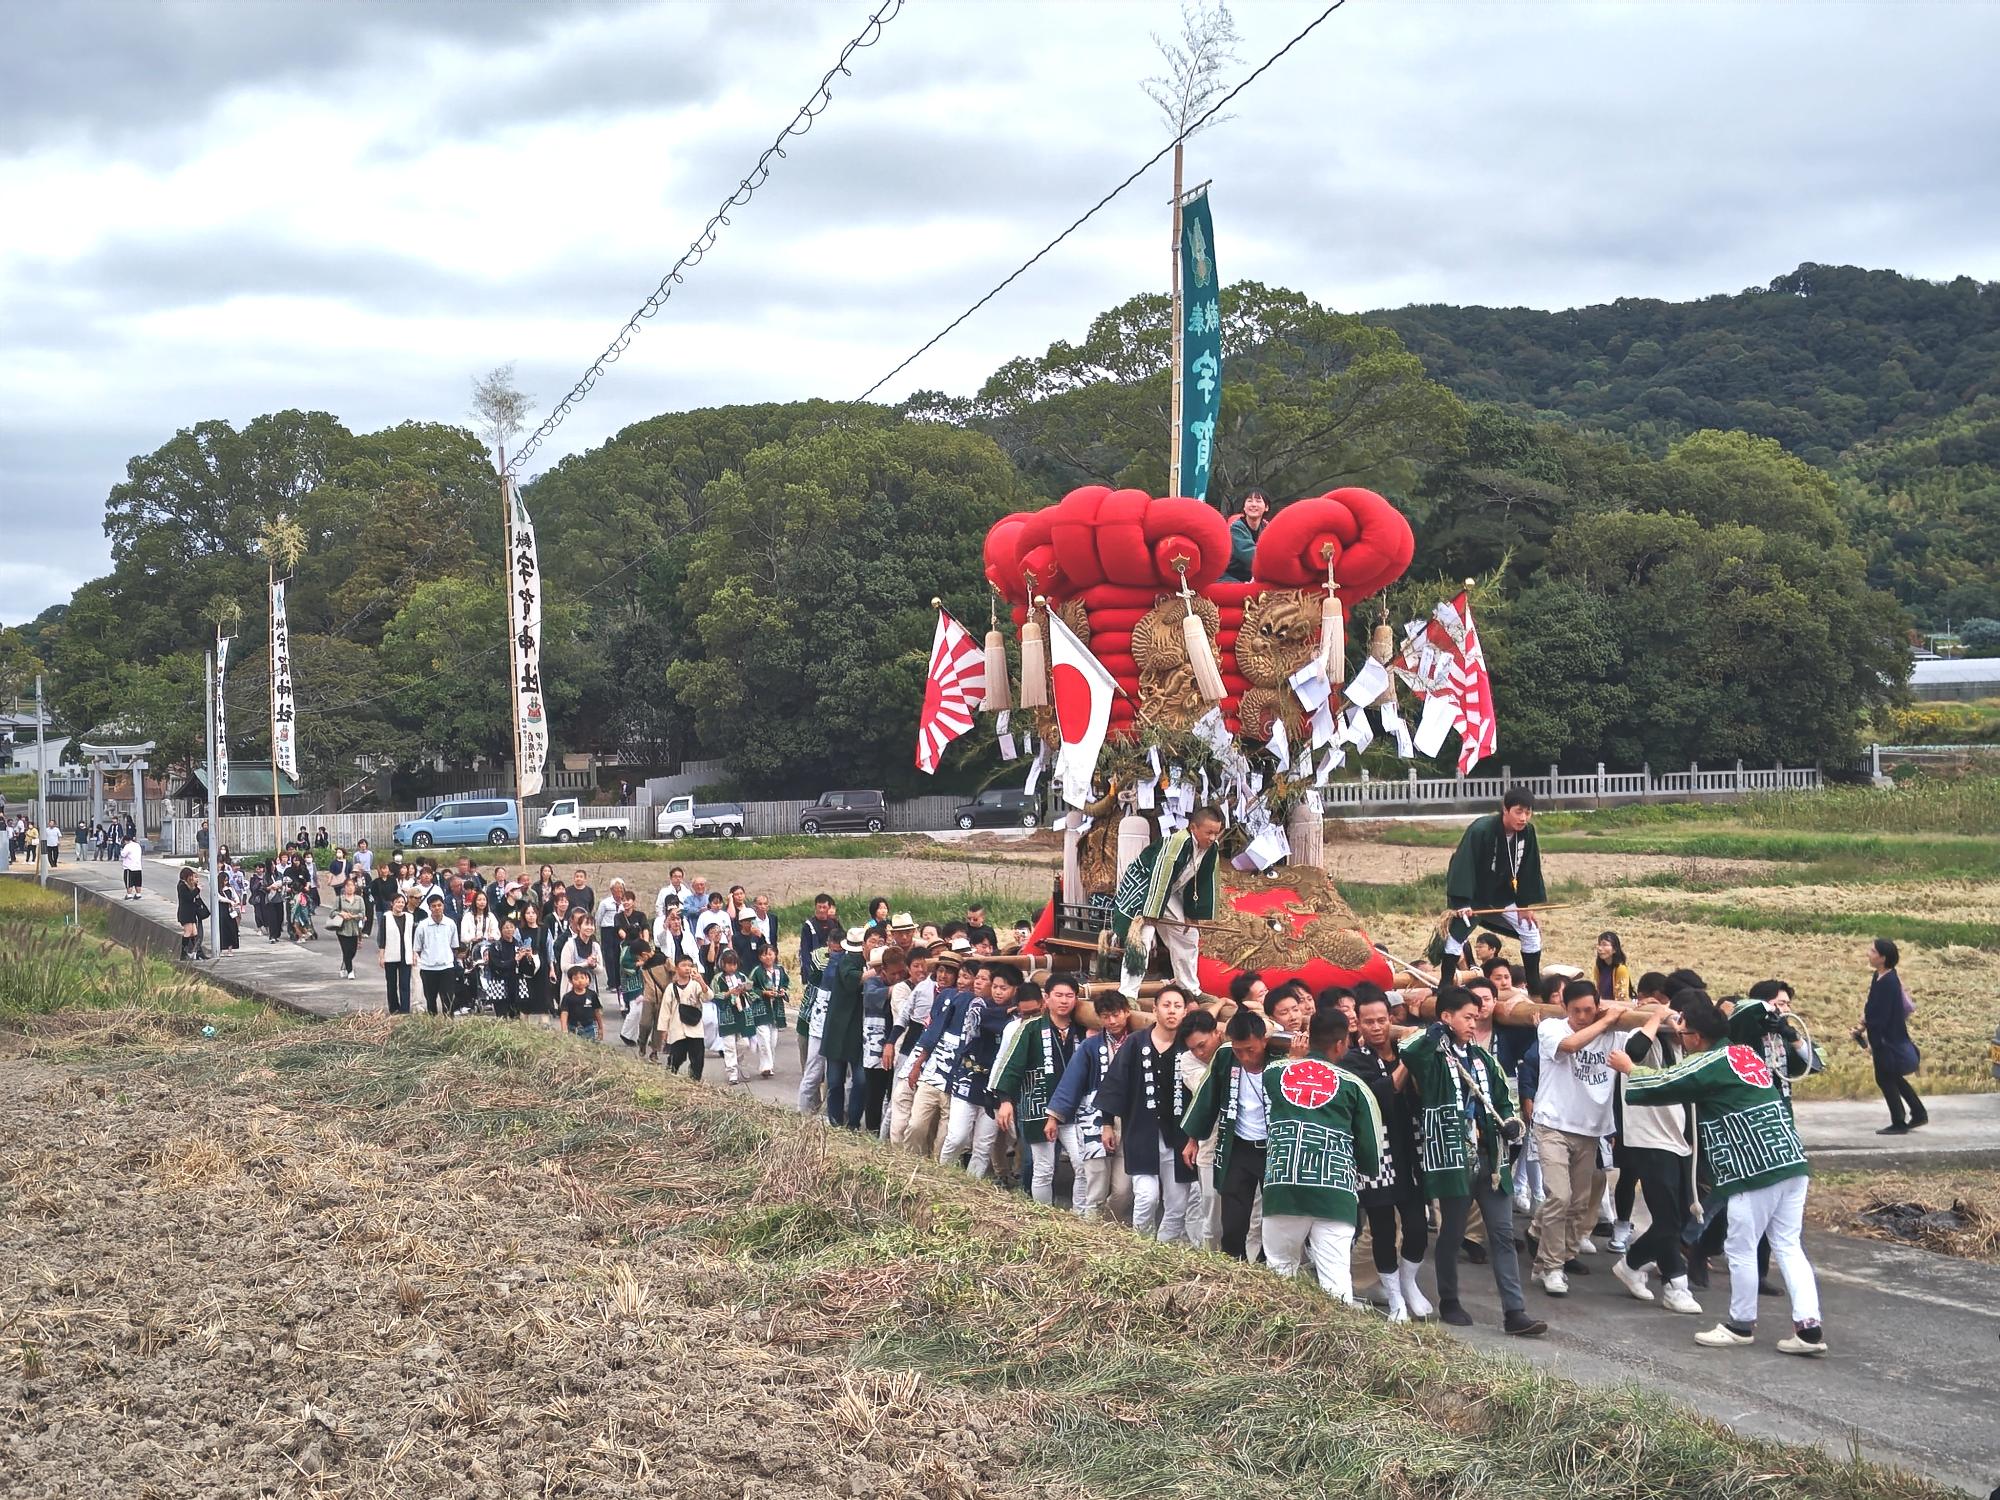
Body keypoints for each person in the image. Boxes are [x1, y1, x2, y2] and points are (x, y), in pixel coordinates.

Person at [1612, 989, 1825, 1355]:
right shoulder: (1745, 1053)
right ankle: (1809, 1330)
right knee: (1789, 1246)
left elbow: (1665, 1082)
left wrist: (1629, 1069)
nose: (1681, 1039)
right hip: (1790, 1159)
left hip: (1752, 1165)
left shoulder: (1709, 1061)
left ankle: (1740, 1324)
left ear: (1695, 1036)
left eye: (1683, 1033)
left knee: (1740, 1248)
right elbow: (1746, 1014)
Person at [1399, 987, 1545, 1337]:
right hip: (1453, 1159)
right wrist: (1435, 1033)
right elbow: (1411, 1055)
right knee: (1451, 1231)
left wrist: (1513, 1124)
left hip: (1490, 1159)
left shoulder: (1482, 1059)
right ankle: (1449, 1299)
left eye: (1476, 1016)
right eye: (1466, 1016)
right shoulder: (1432, 1055)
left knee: (1503, 1234)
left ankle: (1515, 1312)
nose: (1473, 1022)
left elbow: (1504, 1101)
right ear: (1446, 1017)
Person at [1260, 1007, 1382, 1303]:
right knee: (1336, 1276)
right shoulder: (1356, 1087)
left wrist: (1294, 1059)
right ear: (1341, 1043)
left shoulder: (1275, 1072)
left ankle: (1279, 1339)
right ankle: (1335, 1345)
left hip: (1284, 1186)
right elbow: (1370, 1150)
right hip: (1334, 1191)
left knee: (1279, 1268)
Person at [1529, 980, 1629, 1296]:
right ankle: (1550, 1267)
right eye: (1577, 1011)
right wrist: (1605, 1020)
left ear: (1598, 1004)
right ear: (1564, 1008)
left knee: (1579, 1203)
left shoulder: (1616, 1032)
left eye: (1590, 1010)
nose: (1583, 1016)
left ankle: (1555, 1248)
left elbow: (1644, 1035)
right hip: (1552, 1125)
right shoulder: (1551, 1028)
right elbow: (1570, 1046)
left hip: (1590, 1130)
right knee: (1559, 1195)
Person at [1341, 984, 1432, 1322]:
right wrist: (1409, 1059)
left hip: (1412, 1149)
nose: (1377, 1027)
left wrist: (1413, 1053)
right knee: (1381, 1228)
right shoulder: (1354, 1059)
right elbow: (1382, 1091)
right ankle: (1394, 1298)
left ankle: (1408, 1284)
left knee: (1417, 1227)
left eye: (1382, 1020)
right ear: (1359, 1024)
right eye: (1369, 1022)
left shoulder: (1403, 1050)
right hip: (1377, 1153)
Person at [1607, 1001, 1702, 1314]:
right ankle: (1677, 1286)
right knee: (1667, 1219)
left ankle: (1631, 1264)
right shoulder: (1645, 1036)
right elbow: (1631, 1052)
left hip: (1678, 1141)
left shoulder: (1682, 1049)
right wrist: (1657, 1018)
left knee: (1682, 1216)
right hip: (1648, 1141)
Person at [1098, 985, 1196, 1242]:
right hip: (1141, 1132)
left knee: (1177, 1202)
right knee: (1146, 1197)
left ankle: (1162, 1249)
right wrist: (1107, 1123)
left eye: (1177, 1006)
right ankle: (1141, 1245)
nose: (1171, 1011)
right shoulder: (1135, 1042)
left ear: (1185, 1011)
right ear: (1155, 1009)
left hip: (1179, 1137)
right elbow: (1115, 1082)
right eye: (1166, 1005)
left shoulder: (1190, 1045)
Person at [1180, 1008, 1274, 1261]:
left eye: (1250, 1050)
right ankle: (1233, 1262)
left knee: (1272, 1214)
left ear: (1264, 1040)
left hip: (1272, 1149)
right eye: (1238, 1050)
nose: (1243, 1056)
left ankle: (1268, 1266)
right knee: (1232, 1214)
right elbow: (1207, 1099)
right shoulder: (1224, 1056)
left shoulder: (1281, 1058)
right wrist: (1192, 1138)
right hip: (1238, 1145)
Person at [1439, 788, 1546, 991]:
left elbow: (1529, 868)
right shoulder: (1481, 830)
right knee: (1456, 936)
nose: (1523, 818)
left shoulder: (1527, 832)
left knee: (1530, 930)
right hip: (1473, 894)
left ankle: (1534, 985)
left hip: (1503, 894)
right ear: (1505, 810)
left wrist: (1524, 904)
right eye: (1518, 811)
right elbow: (1463, 863)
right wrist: (1462, 903)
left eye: (1528, 812)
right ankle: (1445, 984)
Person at [1112, 807, 1223, 1000]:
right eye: (1209, 832)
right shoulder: (1177, 843)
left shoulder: (1211, 849)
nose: (1213, 838)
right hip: (1144, 887)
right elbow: (1160, 876)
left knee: (1187, 934)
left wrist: (1192, 912)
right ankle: (1127, 994)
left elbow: (1203, 882)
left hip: (1167, 892)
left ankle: (1190, 990)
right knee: (1142, 938)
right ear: (1193, 827)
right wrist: (1151, 913)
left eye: (1216, 832)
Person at [991, 974, 1083, 1207]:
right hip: (1039, 1104)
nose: (1064, 1001)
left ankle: (1082, 1217)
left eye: (1069, 996)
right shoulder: (1031, 1028)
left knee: (1082, 1164)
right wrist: (1005, 1100)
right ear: (1047, 998)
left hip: (1074, 1109)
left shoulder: (1081, 1030)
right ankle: (1044, 1215)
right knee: (1043, 1168)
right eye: (1058, 995)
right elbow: (1013, 1064)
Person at [1047, 991, 1134, 1223]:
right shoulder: (1091, 1046)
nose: (1112, 1021)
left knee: (1123, 1190)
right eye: (1105, 1016)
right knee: (1095, 1179)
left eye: (1116, 1015)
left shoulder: (1138, 1042)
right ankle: (1091, 1227)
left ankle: (1108, 1222)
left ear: (1127, 1012)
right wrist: (1054, 1116)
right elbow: (1071, 1080)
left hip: (1129, 1118)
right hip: (1093, 1117)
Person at [936, 963, 1018, 1174]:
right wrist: (1009, 1013)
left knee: (983, 1147)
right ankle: (941, 1175)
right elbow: (982, 1021)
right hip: (968, 1078)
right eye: (996, 987)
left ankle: (970, 1187)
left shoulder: (1019, 1016)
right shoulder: (978, 1004)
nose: (999, 992)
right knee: (957, 1137)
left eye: (1004, 988)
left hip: (995, 1087)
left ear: (1015, 990)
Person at [1857, 937, 1926, 1134]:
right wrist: (1862, 1026)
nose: (1868, 954)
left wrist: (1872, 1039)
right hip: (1882, 1036)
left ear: (1883, 958)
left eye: (1872, 951)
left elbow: (1883, 1015)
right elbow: (1872, 1006)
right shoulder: (1879, 976)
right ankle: (1918, 1113)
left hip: (1887, 1038)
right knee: (1891, 1076)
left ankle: (1899, 1122)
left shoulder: (1889, 981)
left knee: (1885, 1078)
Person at [820, 926, 871, 1127]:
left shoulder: (857, 961)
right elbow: (852, 979)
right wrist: (872, 972)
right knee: (836, 1081)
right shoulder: (846, 962)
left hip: (857, 1032)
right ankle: (836, 1122)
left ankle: (851, 1123)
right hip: (838, 1031)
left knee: (858, 1081)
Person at [711, 948, 754, 1085]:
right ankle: (732, 1073)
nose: (732, 967)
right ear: (723, 964)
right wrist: (728, 993)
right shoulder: (718, 979)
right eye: (729, 964)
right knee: (729, 1045)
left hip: (741, 1013)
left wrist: (745, 989)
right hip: (726, 1015)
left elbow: (751, 988)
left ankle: (740, 1063)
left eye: (734, 964)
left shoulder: (741, 976)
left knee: (745, 1044)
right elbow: (713, 995)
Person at [661, 955, 709, 1077]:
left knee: (697, 1058)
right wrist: (664, 1030)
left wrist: (701, 981)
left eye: (690, 965)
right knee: (677, 1056)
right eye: (683, 965)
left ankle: (695, 1079)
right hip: (677, 1028)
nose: (687, 968)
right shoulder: (671, 988)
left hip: (695, 1027)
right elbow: (665, 1010)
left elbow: (708, 997)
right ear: (677, 968)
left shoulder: (696, 985)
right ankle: (670, 1074)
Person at [745, 944, 787, 1081]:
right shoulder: (756, 971)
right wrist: (763, 993)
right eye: (764, 954)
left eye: (770, 953)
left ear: (775, 954)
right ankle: (766, 1066)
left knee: (773, 1040)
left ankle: (769, 1064)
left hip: (776, 1008)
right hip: (761, 1009)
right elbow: (749, 988)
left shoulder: (780, 970)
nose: (768, 957)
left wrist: (783, 991)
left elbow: (786, 984)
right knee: (763, 1038)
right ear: (760, 957)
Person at [413, 895, 460, 1015]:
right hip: (428, 968)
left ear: (443, 906)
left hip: (446, 967)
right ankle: (432, 1024)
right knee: (431, 999)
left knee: (448, 999)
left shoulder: (450, 924)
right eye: (434, 906)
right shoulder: (423, 926)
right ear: (429, 908)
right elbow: (417, 948)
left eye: (439, 905)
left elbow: (454, 946)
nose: (437, 908)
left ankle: (449, 1024)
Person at [1223, 488, 1269, 583]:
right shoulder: (1236, 528)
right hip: (1230, 576)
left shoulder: (1266, 528)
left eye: (1258, 501)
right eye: (1249, 501)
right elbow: (1250, 555)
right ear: (1244, 507)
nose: (1253, 504)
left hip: (1251, 576)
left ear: (1266, 507)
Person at [379, 893, 415, 1014]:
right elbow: (382, 938)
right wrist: (381, 956)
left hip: (406, 954)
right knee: (392, 984)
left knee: (405, 983)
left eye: (402, 902)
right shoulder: (386, 917)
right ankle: (394, 1008)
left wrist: (414, 954)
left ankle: (405, 1010)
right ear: (392, 904)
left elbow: (413, 937)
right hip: (391, 954)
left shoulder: (409, 917)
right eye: (397, 902)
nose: (400, 904)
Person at [332, 876, 367, 979]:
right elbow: (332, 912)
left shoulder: (359, 899)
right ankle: (350, 970)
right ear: (345, 887)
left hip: (355, 928)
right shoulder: (339, 899)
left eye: (352, 885)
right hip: (342, 928)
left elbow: (363, 914)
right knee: (346, 950)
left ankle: (344, 965)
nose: (350, 888)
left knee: (352, 951)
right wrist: (341, 914)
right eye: (348, 886)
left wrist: (354, 916)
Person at [559, 964, 603, 1042]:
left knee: (591, 1048)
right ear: (570, 981)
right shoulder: (567, 997)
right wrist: (564, 1029)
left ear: (587, 979)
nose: (579, 981)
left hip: (590, 1028)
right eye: (576, 979)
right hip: (573, 1029)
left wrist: (601, 1028)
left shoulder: (592, 995)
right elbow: (564, 1013)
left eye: (582, 978)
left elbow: (597, 1011)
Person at [174, 867, 210, 961]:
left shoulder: (187, 885)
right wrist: (197, 889)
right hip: (185, 913)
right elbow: (189, 897)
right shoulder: (182, 885)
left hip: (190, 913)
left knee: (195, 933)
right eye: (190, 876)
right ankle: (183, 953)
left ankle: (198, 952)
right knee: (188, 932)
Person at [119, 830, 145, 900]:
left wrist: (122, 849)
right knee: (138, 881)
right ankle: (138, 894)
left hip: (129, 867)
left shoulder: (127, 846)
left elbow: (123, 854)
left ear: (125, 841)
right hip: (138, 867)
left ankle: (129, 894)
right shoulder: (137, 845)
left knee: (129, 882)